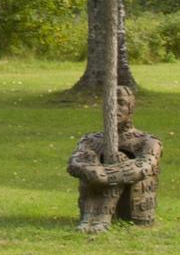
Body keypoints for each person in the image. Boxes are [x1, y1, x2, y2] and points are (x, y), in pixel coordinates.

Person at [66, 85, 162, 234]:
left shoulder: (147, 141)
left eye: (121, 103)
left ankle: (103, 218)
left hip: (136, 211)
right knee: (90, 158)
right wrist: (91, 170)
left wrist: (103, 174)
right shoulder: (90, 140)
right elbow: (75, 162)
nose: (114, 108)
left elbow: (144, 167)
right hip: (92, 198)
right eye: (110, 103)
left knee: (120, 159)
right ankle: (89, 218)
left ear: (131, 108)